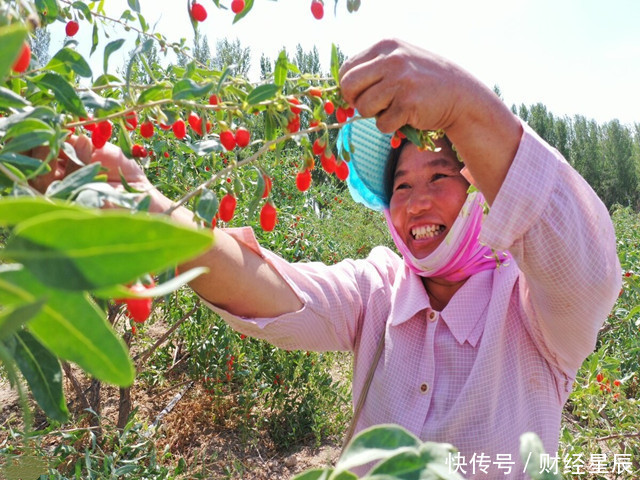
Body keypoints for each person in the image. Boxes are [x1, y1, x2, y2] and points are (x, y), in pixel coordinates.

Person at [34, 39, 621, 478]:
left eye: (441, 176)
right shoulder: (381, 291)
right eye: (400, 186)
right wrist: (147, 213)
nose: (417, 202)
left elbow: (586, 263)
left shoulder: (533, 314)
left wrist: (468, 105)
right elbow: (274, 289)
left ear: (479, 195)